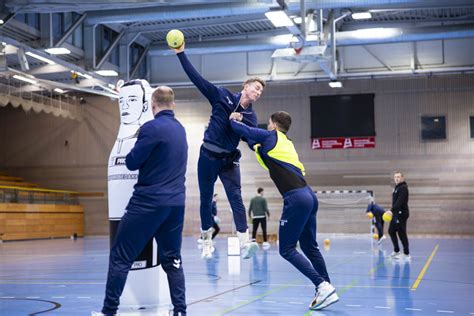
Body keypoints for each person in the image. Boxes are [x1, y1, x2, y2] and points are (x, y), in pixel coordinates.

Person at [229, 111, 338, 311]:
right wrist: (246, 136)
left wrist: (233, 118)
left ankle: (322, 286)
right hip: (309, 196)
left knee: (286, 249)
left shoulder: (271, 136)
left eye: (268, 123)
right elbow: (252, 141)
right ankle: (326, 288)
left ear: (273, 124)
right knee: (309, 247)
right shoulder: (285, 142)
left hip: (295, 198)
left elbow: (240, 129)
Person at [96, 86, 188, 316]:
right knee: (173, 259)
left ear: (153, 105)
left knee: (120, 256)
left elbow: (132, 162)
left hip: (148, 203)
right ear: (173, 104)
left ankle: (108, 311)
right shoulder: (180, 129)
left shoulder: (150, 128)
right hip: (176, 204)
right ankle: (180, 311)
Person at [172, 42, 265, 259]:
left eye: (261, 91)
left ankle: (244, 243)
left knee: (236, 198)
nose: (258, 93)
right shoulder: (220, 95)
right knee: (205, 199)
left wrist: (242, 123)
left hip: (229, 160)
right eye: (256, 88)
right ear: (246, 86)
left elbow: (250, 138)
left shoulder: (251, 117)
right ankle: (206, 240)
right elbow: (197, 78)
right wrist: (180, 53)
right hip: (207, 156)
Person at [389, 171, 410, 260]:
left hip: (401, 213)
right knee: (391, 230)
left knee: (401, 233)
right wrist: (393, 212)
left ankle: (406, 254)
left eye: (398, 177)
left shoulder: (403, 188)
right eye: (395, 177)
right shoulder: (396, 188)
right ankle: (397, 251)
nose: (397, 178)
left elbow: (399, 202)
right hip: (396, 213)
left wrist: (391, 211)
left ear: (402, 178)